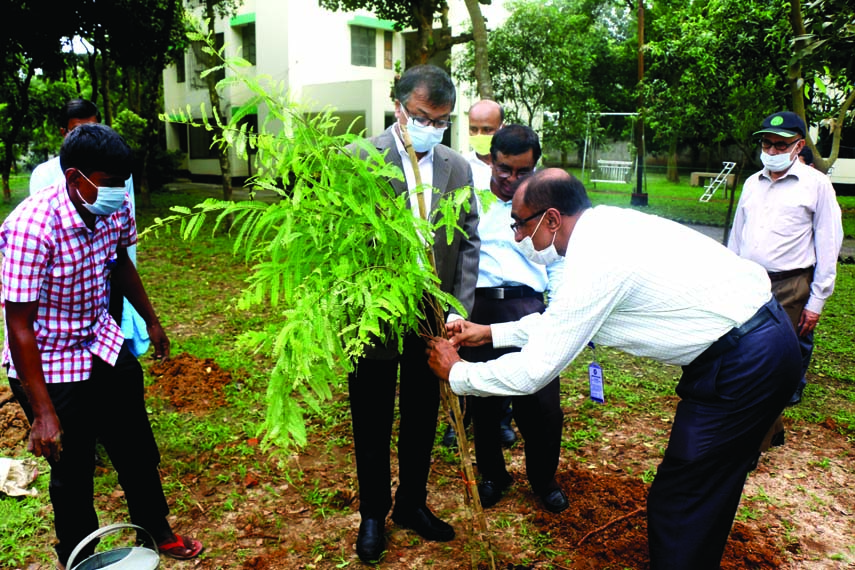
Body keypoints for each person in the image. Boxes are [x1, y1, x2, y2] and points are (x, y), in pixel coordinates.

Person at [425, 168, 801, 569]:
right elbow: (564, 323)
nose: (517, 237)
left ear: (552, 219)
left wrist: (458, 374)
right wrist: (489, 334)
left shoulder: (596, 260)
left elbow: (535, 371)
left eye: (520, 225)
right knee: (703, 487)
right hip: (751, 345)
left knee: (684, 496)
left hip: (747, 360)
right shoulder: (604, 228)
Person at [1, 124, 203, 569]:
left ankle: (157, 530)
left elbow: (120, 265)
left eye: (121, 183)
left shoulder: (115, 206)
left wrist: (151, 320)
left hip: (102, 340)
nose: (118, 193)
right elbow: (19, 327)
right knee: (72, 472)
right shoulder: (30, 228)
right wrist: (44, 412)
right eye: (109, 183)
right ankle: (79, 557)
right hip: (49, 357)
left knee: (135, 447)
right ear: (76, 178)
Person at [346, 64, 480, 564]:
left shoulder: (457, 167)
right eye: (422, 116)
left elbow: (467, 241)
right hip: (374, 313)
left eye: (442, 120)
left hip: (430, 315)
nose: (431, 127)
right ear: (398, 106)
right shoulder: (358, 159)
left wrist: (456, 306)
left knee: (423, 412)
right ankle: (374, 513)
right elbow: (342, 245)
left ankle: (412, 504)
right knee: (372, 415)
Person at [464, 124, 567, 513]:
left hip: (529, 308)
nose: (512, 180)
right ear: (491, 160)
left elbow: (558, 262)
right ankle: (493, 475)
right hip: (482, 309)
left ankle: (543, 478)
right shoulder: (470, 203)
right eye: (504, 169)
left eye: (523, 172)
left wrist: (556, 308)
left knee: (542, 406)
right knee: (485, 403)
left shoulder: (546, 207)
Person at [728, 111, 843, 409]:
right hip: (750, 279)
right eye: (767, 144)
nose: (772, 152)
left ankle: (772, 405)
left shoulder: (816, 185)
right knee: (743, 342)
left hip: (791, 283)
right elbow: (738, 234)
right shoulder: (753, 183)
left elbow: (829, 243)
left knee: (781, 349)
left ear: (798, 145)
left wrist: (816, 302)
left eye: (781, 145)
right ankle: (745, 398)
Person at [30, 98, 150, 359]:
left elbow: (123, 239)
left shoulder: (116, 181)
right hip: (65, 288)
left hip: (107, 276)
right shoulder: (43, 181)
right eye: (77, 131)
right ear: (64, 133)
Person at [442, 98, 513, 449]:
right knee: (463, 349)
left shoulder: (514, 170)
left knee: (504, 352)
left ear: (501, 128)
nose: (480, 135)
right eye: (474, 129)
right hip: (469, 279)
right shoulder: (457, 167)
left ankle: (502, 419)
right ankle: (458, 420)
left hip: (504, 279)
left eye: (487, 129)